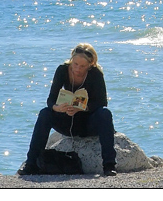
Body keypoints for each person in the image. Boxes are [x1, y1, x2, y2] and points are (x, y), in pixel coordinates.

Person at [18, 43, 117, 177]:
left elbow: (102, 102)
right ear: (71, 59)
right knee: (45, 113)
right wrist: (57, 108)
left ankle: (109, 165)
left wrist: (82, 108)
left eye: (82, 66)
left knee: (105, 114)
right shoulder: (62, 70)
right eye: (75, 64)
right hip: (67, 119)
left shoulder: (95, 74)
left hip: (87, 122)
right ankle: (31, 164)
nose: (77, 69)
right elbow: (51, 100)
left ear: (90, 64)